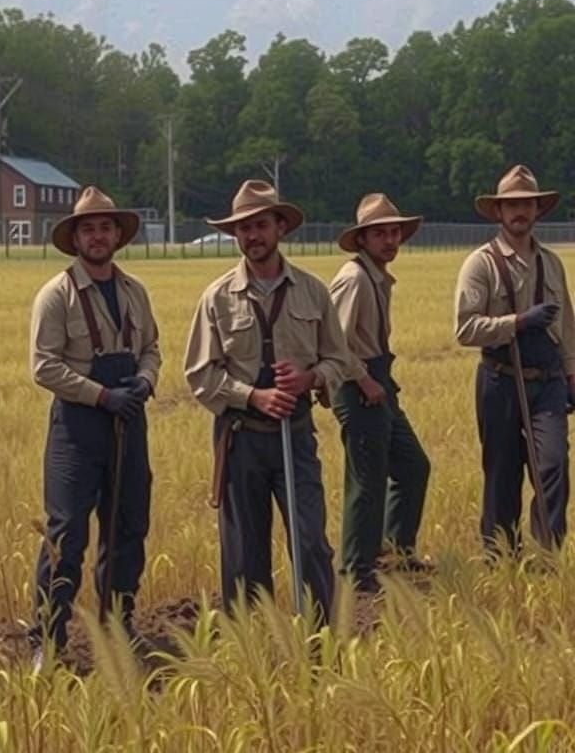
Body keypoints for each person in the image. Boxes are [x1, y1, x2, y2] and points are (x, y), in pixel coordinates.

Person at [184, 180, 351, 622]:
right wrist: (253, 396)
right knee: (244, 557)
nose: (251, 236)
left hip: (295, 436)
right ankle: (251, 649)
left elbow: (340, 358)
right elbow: (200, 373)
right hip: (242, 441)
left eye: (260, 225)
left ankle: (322, 644)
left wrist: (309, 378)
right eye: (242, 229)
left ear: (280, 227)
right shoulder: (217, 297)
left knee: (311, 541)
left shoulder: (313, 291)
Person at [29, 186, 161, 659]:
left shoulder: (134, 292)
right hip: (77, 428)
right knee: (65, 535)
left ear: (117, 235)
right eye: (89, 228)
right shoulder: (56, 295)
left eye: (106, 227)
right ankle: (47, 639)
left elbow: (151, 348)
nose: (98, 235)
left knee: (128, 527)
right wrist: (102, 395)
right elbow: (43, 367)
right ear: (76, 237)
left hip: (129, 421)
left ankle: (119, 624)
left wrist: (145, 381)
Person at [455, 165, 575, 554]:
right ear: (499, 211)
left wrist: (571, 374)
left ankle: (546, 556)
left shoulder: (552, 263)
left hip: (548, 379)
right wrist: (518, 322)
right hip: (500, 379)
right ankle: (500, 558)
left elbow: (567, 326)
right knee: (502, 475)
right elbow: (465, 329)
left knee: (553, 466)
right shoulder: (481, 263)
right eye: (512, 205)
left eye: (527, 203)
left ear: (538, 209)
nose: (520, 211)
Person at [329, 193, 431, 592]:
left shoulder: (375, 275)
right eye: (380, 234)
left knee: (412, 467)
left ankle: (395, 553)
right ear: (362, 239)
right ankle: (357, 570)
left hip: (378, 381)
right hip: (360, 384)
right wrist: (364, 380)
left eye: (394, 232)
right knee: (367, 479)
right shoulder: (354, 279)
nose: (391, 240)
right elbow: (334, 342)